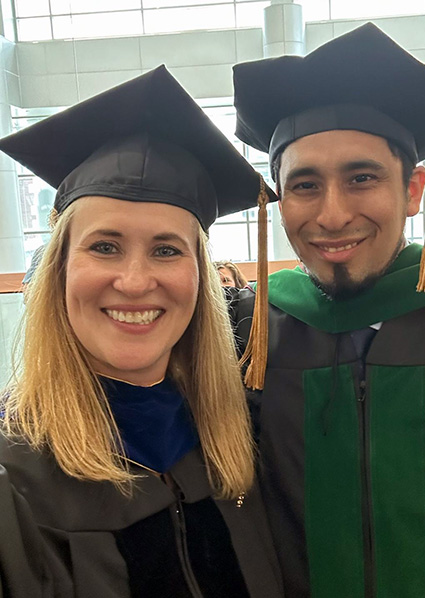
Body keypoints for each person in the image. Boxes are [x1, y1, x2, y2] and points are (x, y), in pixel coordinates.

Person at [230, 22, 425, 598]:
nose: (331, 215)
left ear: (413, 189)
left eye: (361, 178)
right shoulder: (251, 337)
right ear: (278, 200)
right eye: (304, 185)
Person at [0, 66, 283, 597]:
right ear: (59, 267)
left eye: (166, 250)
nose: (134, 282)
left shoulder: (241, 434)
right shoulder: (13, 473)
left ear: (200, 275)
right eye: (104, 246)